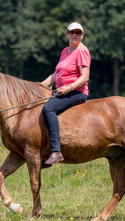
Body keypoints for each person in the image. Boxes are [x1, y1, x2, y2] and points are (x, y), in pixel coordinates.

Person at [41, 21, 91, 165]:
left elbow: (84, 76)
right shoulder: (65, 51)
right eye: (71, 32)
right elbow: (56, 74)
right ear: (67, 34)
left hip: (76, 92)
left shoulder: (82, 51)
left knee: (48, 108)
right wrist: (39, 86)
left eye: (78, 33)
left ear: (82, 35)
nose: (74, 35)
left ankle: (56, 151)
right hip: (61, 91)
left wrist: (69, 88)